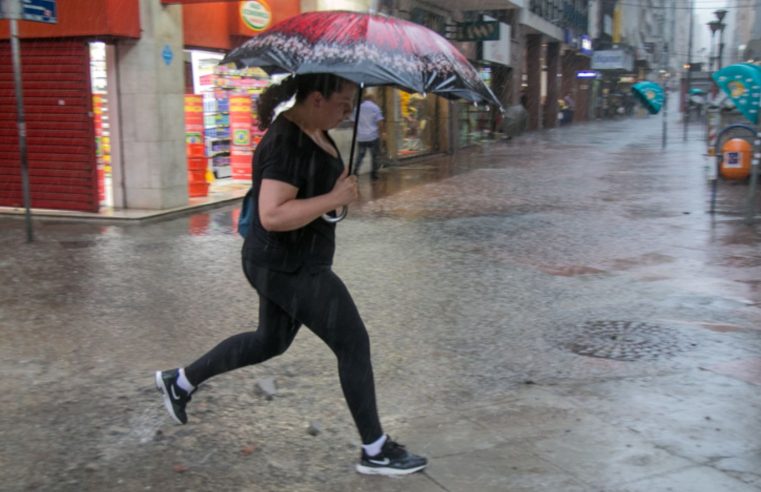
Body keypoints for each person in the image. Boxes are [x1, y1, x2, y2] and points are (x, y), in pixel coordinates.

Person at [154, 73, 427, 476]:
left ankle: (180, 382)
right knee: (353, 343)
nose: (348, 111)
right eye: (344, 103)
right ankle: (375, 449)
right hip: (287, 265)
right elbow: (273, 214)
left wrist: (331, 205)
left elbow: (309, 196)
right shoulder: (286, 142)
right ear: (317, 98)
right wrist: (333, 198)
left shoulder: (317, 130)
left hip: (292, 260)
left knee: (270, 341)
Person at [353, 94, 385, 180]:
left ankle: (355, 172)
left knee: (360, 155)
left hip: (361, 137)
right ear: (372, 99)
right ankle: (374, 174)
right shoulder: (375, 108)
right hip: (373, 136)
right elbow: (380, 123)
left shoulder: (357, 108)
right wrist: (381, 134)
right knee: (374, 156)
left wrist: (357, 133)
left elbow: (353, 123)